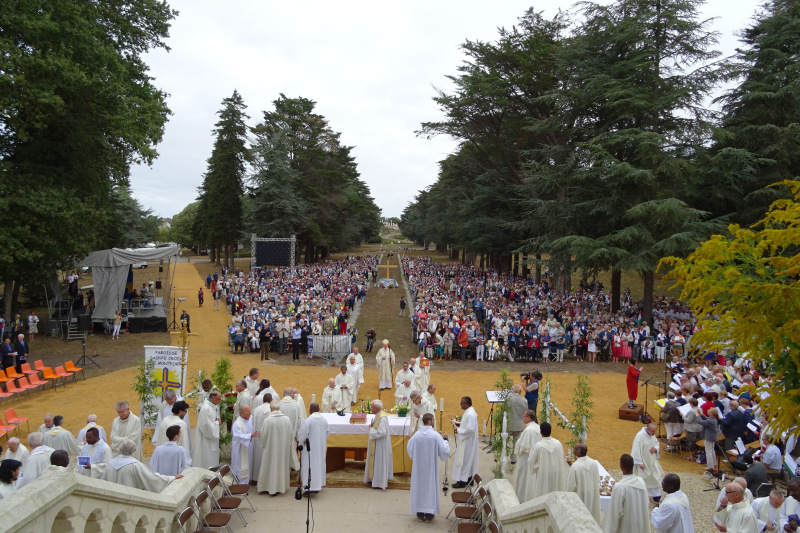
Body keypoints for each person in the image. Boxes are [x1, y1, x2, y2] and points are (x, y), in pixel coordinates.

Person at [408, 412, 450, 522]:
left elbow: (410, 450)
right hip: (431, 468)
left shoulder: (416, 435)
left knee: (419, 487)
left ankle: (420, 512)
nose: (434, 422)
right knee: (430, 487)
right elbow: (444, 451)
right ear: (429, 422)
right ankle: (430, 512)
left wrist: (416, 459)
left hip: (419, 469)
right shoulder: (435, 435)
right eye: (433, 420)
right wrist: (445, 439)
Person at [103, 439, 183, 492]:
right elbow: (153, 478)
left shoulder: (110, 464)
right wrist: (171, 477)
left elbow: (103, 482)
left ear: (119, 449)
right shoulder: (136, 465)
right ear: (134, 450)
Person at [602, 453, 650, 533]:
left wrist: (607, 530)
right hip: (640, 524)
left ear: (621, 466)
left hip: (627, 527)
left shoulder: (620, 487)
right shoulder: (641, 482)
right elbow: (646, 502)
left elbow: (614, 513)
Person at [257, 401, 295, 495]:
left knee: (270, 467)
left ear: (270, 408)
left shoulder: (268, 420)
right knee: (281, 467)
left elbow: (263, 435)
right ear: (279, 408)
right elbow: (291, 434)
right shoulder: (286, 419)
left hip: (270, 449)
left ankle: (268, 487)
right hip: (283, 449)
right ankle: (280, 487)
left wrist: (262, 443)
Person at [528, 422, 567, 499]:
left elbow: (531, 460)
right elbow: (561, 457)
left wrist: (536, 467)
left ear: (540, 432)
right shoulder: (558, 444)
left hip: (543, 473)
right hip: (556, 472)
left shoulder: (538, 446)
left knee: (543, 495)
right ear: (550, 431)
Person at [298, 403, 329, 493]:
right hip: (320, 448)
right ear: (319, 409)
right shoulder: (324, 420)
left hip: (310, 449)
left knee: (309, 466)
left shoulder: (308, 421)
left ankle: (309, 487)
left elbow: (303, 435)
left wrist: (301, 444)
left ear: (310, 410)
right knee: (318, 466)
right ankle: (317, 485)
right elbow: (327, 433)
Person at [566, 443, 602, 523]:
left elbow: (570, 488)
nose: (573, 450)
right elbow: (597, 480)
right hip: (592, 497)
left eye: (574, 449)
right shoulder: (593, 463)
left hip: (580, 498)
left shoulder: (575, 468)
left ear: (578, 453)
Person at [631, 423, 665, 502]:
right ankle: (643, 495)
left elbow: (656, 443)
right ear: (648, 429)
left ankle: (656, 496)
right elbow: (636, 449)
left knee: (656, 477)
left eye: (654, 432)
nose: (654, 434)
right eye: (652, 431)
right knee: (643, 478)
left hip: (652, 461)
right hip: (643, 461)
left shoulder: (652, 435)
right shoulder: (639, 436)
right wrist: (639, 462)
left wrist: (656, 449)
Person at [365, 400, 393, 490]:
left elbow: (382, 432)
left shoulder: (382, 418)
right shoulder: (377, 415)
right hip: (376, 443)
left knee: (379, 462)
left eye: (372, 407)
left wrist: (371, 430)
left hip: (380, 445)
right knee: (375, 462)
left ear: (376, 408)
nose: (371, 408)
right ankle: (373, 478)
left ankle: (379, 482)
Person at [451, 396, 478, 489]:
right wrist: (458, 423)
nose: (460, 404)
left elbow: (470, 429)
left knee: (464, 460)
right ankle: (469, 478)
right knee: (467, 460)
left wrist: (459, 431)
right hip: (467, 440)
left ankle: (462, 481)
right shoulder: (469, 412)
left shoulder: (470, 414)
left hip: (467, 441)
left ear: (467, 404)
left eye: (462, 403)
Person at [514, 410, 541, 502]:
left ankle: (521, 498)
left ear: (528, 418)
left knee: (524, 479)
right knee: (531, 479)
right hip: (534, 456)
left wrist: (519, 440)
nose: (522, 418)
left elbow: (523, 446)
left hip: (526, 458)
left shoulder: (528, 430)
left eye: (524, 416)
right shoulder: (537, 427)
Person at [193, 391, 222, 469]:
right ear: (213, 398)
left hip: (211, 437)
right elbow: (206, 425)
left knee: (211, 456)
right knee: (206, 457)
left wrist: (217, 420)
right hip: (206, 438)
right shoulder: (206, 408)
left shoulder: (212, 406)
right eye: (219, 399)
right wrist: (217, 423)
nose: (220, 401)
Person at [231, 405, 258, 485]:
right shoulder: (237, 424)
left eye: (250, 411)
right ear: (242, 413)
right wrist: (250, 435)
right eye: (248, 411)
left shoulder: (249, 419)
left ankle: (245, 483)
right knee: (240, 466)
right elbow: (238, 436)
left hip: (248, 447)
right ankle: (241, 485)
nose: (250, 413)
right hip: (240, 449)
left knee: (247, 465)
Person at [508, 384, 528, 461]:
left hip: (509, 423)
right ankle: (513, 458)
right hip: (518, 423)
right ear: (520, 391)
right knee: (516, 442)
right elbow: (526, 412)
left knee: (504, 440)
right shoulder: (524, 400)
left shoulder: (508, 399)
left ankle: (501, 456)